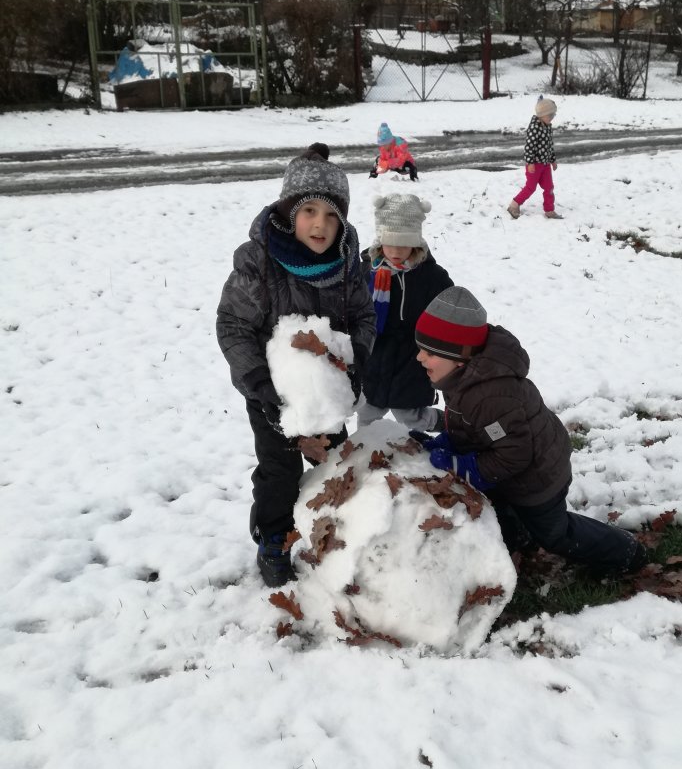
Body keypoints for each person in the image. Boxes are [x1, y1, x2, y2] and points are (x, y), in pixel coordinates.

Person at [216, 147, 376, 587]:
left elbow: (363, 316)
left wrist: (357, 361)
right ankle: (275, 536)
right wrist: (258, 383)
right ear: (290, 214)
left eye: (331, 215)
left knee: (336, 463)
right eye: (309, 211)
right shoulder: (259, 261)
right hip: (273, 395)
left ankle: (333, 528)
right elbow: (233, 325)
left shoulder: (345, 261)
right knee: (280, 473)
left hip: (327, 392)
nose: (320, 224)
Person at [413, 287, 647, 579]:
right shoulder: (463, 378)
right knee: (501, 504)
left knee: (555, 535)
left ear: (459, 357)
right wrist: (447, 443)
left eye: (430, 353)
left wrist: (464, 466)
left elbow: (514, 454)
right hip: (514, 471)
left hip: (538, 479)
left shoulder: (490, 395)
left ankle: (626, 552)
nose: (420, 357)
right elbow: (476, 428)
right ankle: (517, 537)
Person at [357, 193, 453, 431]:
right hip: (374, 357)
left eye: (404, 244)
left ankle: (444, 424)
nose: (396, 251)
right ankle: (364, 449)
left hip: (412, 359)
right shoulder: (365, 272)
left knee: (410, 416)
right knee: (368, 413)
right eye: (390, 243)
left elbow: (448, 312)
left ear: (416, 243)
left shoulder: (432, 277)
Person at [507, 96, 562, 220]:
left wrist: (553, 160)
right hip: (534, 165)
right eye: (550, 115)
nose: (552, 117)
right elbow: (529, 146)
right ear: (542, 115)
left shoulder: (547, 126)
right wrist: (530, 162)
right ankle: (514, 204)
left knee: (549, 187)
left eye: (553, 115)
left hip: (545, 164)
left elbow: (549, 145)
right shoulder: (534, 128)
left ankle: (549, 210)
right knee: (530, 187)